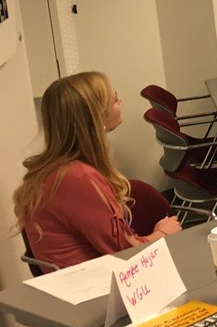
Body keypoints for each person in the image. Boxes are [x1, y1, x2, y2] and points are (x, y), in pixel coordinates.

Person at [13, 72, 182, 269]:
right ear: (95, 117)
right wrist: (162, 234)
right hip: (91, 290)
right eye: (114, 99)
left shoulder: (55, 171)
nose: (120, 100)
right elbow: (126, 253)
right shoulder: (78, 178)